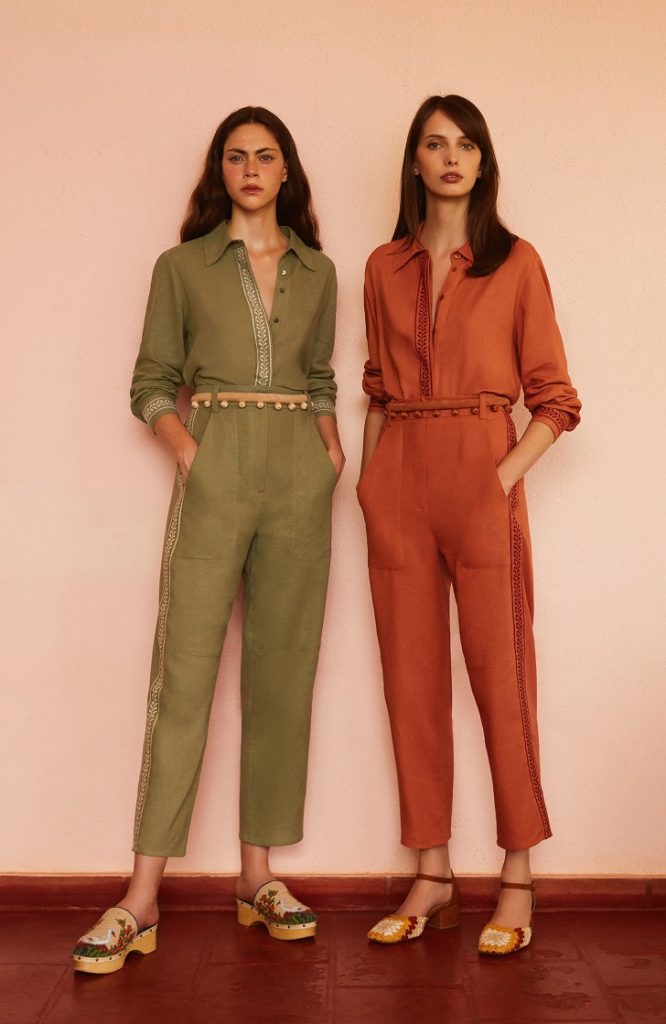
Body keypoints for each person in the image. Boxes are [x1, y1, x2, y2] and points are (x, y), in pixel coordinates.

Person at [72, 106, 344, 974]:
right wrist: (190, 451)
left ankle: (257, 876)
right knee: (184, 671)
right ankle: (141, 896)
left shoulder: (320, 270)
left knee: (283, 672)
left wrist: (329, 448)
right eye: (236, 156)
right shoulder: (181, 266)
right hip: (217, 461)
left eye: (266, 156)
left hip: (299, 476)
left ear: (287, 170)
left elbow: (322, 374)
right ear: (219, 170)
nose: (251, 168)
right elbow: (151, 382)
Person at [358, 94, 580, 954]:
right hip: (399, 479)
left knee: (501, 674)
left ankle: (517, 875)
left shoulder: (516, 263)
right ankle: (434, 873)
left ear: (483, 162)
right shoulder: (383, 266)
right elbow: (378, 386)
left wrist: (499, 481)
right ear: (415, 161)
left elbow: (556, 400)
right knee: (409, 683)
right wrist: (371, 486)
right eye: (434, 143)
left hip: (482, 473)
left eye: (466, 144)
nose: (451, 157)